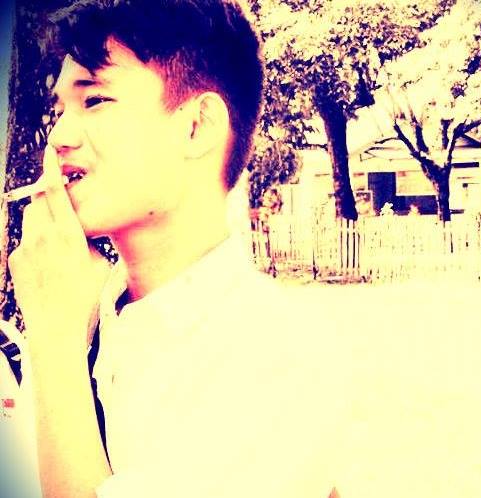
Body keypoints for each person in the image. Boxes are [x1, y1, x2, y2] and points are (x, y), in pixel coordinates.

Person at [7, 1, 340, 497]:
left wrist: (55, 341)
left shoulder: (275, 355)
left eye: (94, 100)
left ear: (197, 127)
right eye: (61, 109)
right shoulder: (85, 310)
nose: (58, 136)